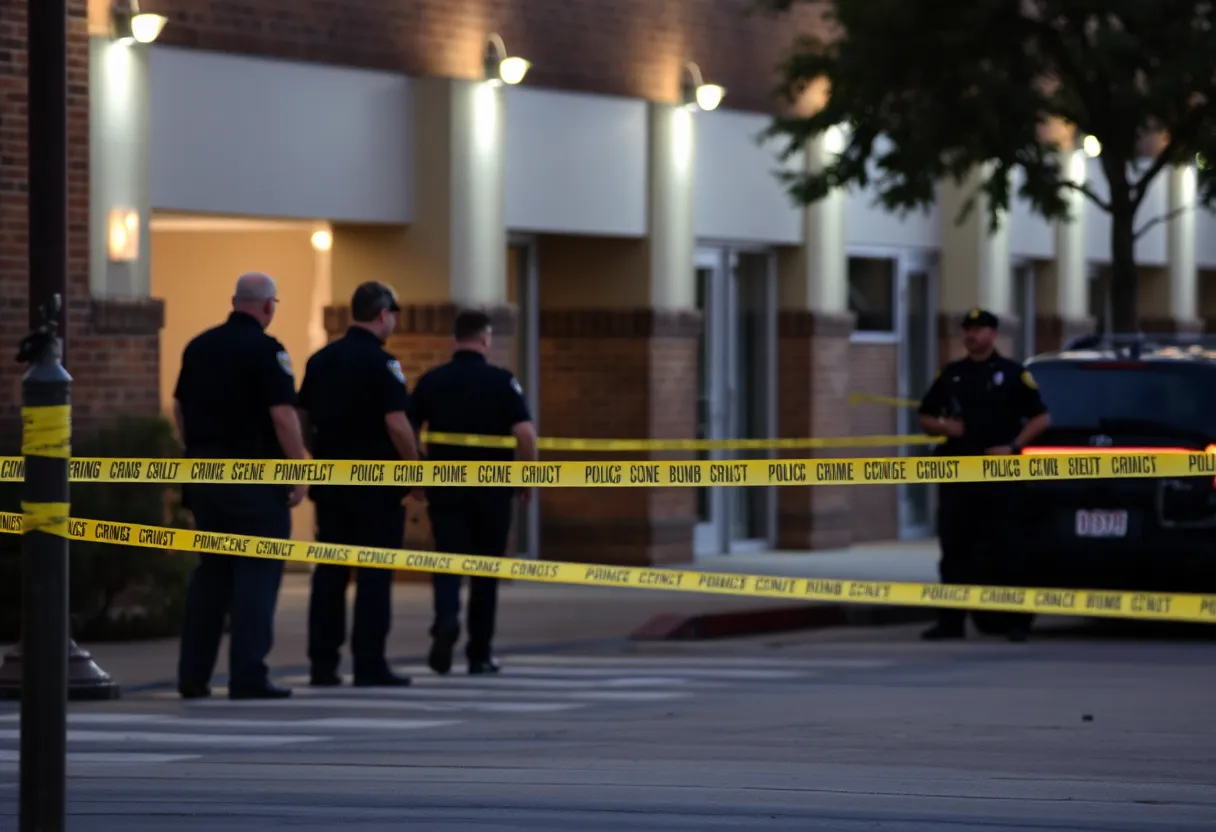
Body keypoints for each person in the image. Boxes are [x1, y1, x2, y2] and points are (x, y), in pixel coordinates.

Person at [174, 272, 308, 700]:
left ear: (235, 301)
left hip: (203, 473)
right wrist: (299, 469)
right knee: (257, 571)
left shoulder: (198, 346)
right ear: (268, 306)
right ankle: (248, 675)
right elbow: (284, 416)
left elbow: (179, 407)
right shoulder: (267, 351)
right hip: (252, 478)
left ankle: (193, 676)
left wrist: (196, 452)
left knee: (212, 572)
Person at [298, 281, 418, 688]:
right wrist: (416, 472)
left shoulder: (320, 361)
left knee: (329, 576)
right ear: (383, 314)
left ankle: (322, 664)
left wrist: (310, 455)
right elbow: (396, 423)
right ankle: (369, 663)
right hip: (377, 490)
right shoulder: (383, 364)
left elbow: (301, 416)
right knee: (373, 577)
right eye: (393, 316)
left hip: (331, 485)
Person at [408, 310, 537, 675]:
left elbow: (408, 429)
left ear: (455, 339)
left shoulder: (433, 380)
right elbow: (526, 435)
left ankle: (447, 618)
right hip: (493, 491)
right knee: (485, 571)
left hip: (445, 486)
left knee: (447, 562)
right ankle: (479, 653)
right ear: (484, 339)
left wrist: (416, 474)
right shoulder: (501, 381)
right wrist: (526, 479)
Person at [917, 308, 1051, 643]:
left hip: (1001, 477)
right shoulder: (952, 374)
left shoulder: (1013, 373)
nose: (971, 336)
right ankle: (950, 622)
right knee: (955, 550)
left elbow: (1040, 418)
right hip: (960, 475)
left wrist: (1014, 446)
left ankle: (1017, 621)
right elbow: (925, 415)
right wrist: (946, 426)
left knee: (1009, 550)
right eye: (967, 330)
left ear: (993, 334)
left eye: (978, 330)